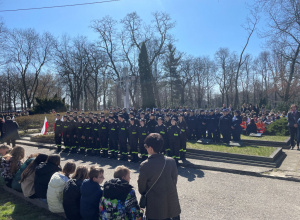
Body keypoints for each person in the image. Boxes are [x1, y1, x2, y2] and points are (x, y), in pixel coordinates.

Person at [138, 133, 181, 220]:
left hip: (155, 208)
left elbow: (141, 188)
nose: (145, 148)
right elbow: (174, 181)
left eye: (145, 146)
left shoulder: (145, 165)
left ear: (150, 148)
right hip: (172, 205)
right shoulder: (171, 161)